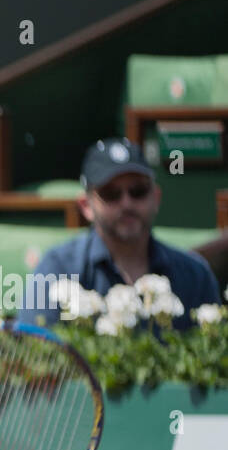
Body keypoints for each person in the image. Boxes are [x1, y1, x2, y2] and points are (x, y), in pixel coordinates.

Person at [19, 137, 220, 331]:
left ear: (156, 198)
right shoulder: (57, 270)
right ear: (85, 206)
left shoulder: (195, 275)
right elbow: (36, 354)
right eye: (111, 194)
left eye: (138, 191)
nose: (127, 203)